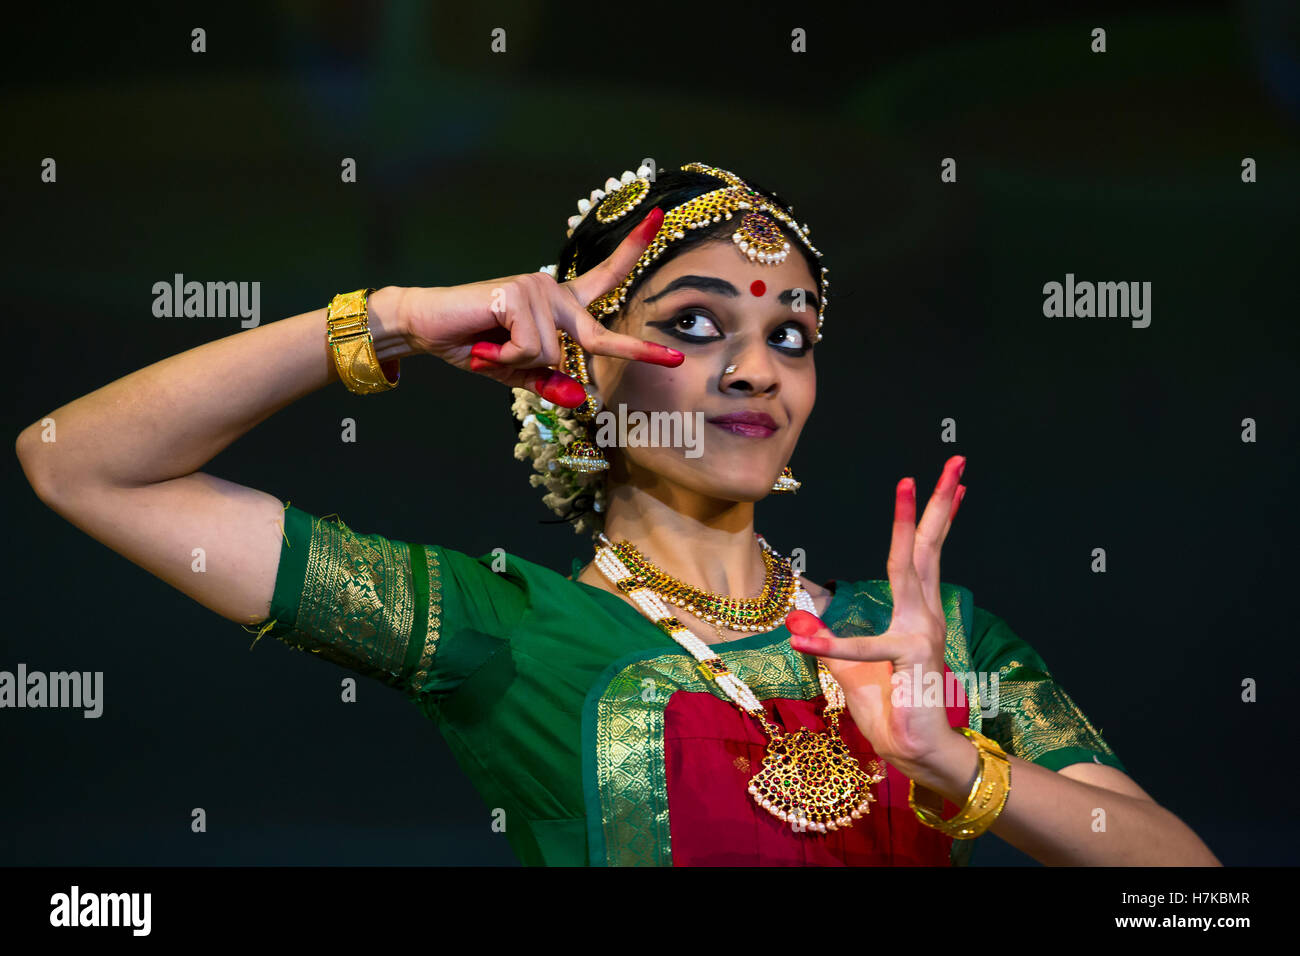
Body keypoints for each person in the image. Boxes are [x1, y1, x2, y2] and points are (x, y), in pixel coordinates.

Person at [16, 160, 1219, 867]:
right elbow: (78, 462)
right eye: (696, 325)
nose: (756, 370)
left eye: (789, 335)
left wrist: (960, 761)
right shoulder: (503, 632)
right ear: (583, 370)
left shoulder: (919, 636)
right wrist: (391, 318)